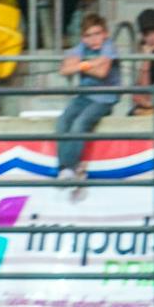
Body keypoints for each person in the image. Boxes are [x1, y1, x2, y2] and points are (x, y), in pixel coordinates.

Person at [54, 13, 119, 184]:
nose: (93, 39)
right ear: (83, 37)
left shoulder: (109, 46)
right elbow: (64, 70)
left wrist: (80, 65)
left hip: (105, 98)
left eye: (97, 33)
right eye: (88, 35)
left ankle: (72, 168)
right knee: (63, 121)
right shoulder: (82, 47)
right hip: (84, 95)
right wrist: (91, 64)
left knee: (80, 123)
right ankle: (65, 169)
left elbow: (102, 72)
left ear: (105, 33)